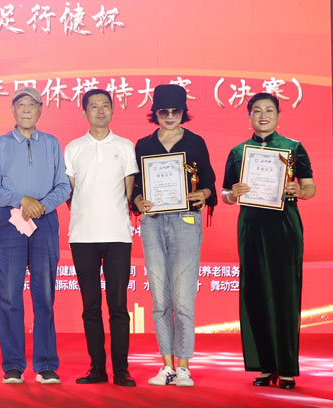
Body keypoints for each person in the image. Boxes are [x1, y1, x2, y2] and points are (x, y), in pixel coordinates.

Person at [221, 92, 315, 389]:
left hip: (284, 226)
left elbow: (310, 187)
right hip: (251, 227)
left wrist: (299, 191)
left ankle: (286, 368)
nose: (263, 115)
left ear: (278, 115)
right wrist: (232, 194)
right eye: (257, 110)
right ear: (249, 115)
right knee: (255, 293)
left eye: (269, 110)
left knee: (285, 294)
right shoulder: (238, 152)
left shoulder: (293, 148)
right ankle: (265, 366)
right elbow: (224, 194)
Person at [0, 87, 71, 384]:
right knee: (9, 295)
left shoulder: (51, 143)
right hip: (10, 221)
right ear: (13, 110)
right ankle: (13, 365)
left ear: (40, 110)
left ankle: (46, 364)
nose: (26, 110)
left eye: (31, 105)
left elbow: (63, 186)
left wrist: (41, 206)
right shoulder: (0, 144)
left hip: (44, 222)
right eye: (20, 104)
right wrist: (22, 200)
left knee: (44, 295)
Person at [132, 84, 217, 387]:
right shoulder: (143, 145)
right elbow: (136, 187)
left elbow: (209, 183)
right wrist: (138, 201)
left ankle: (183, 366)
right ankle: (166, 366)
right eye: (163, 111)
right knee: (159, 299)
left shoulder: (195, 142)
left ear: (184, 112)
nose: (169, 116)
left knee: (182, 298)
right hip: (153, 223)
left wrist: (203, 194)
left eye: (176, 111)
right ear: (154, 113)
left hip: (185, 221)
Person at [65, 89, 138, 386]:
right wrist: (85, 213)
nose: (99, 111)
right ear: (84, 112)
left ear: (112, 110)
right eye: (93, 106)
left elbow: (129, 192)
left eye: (105, 106)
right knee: (91, 307)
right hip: (83, 236)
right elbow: (69, 192)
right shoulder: (73, 148)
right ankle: (97, 368)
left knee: (118, 306)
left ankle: (121, 370)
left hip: (118, 235)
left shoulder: (125, 146)